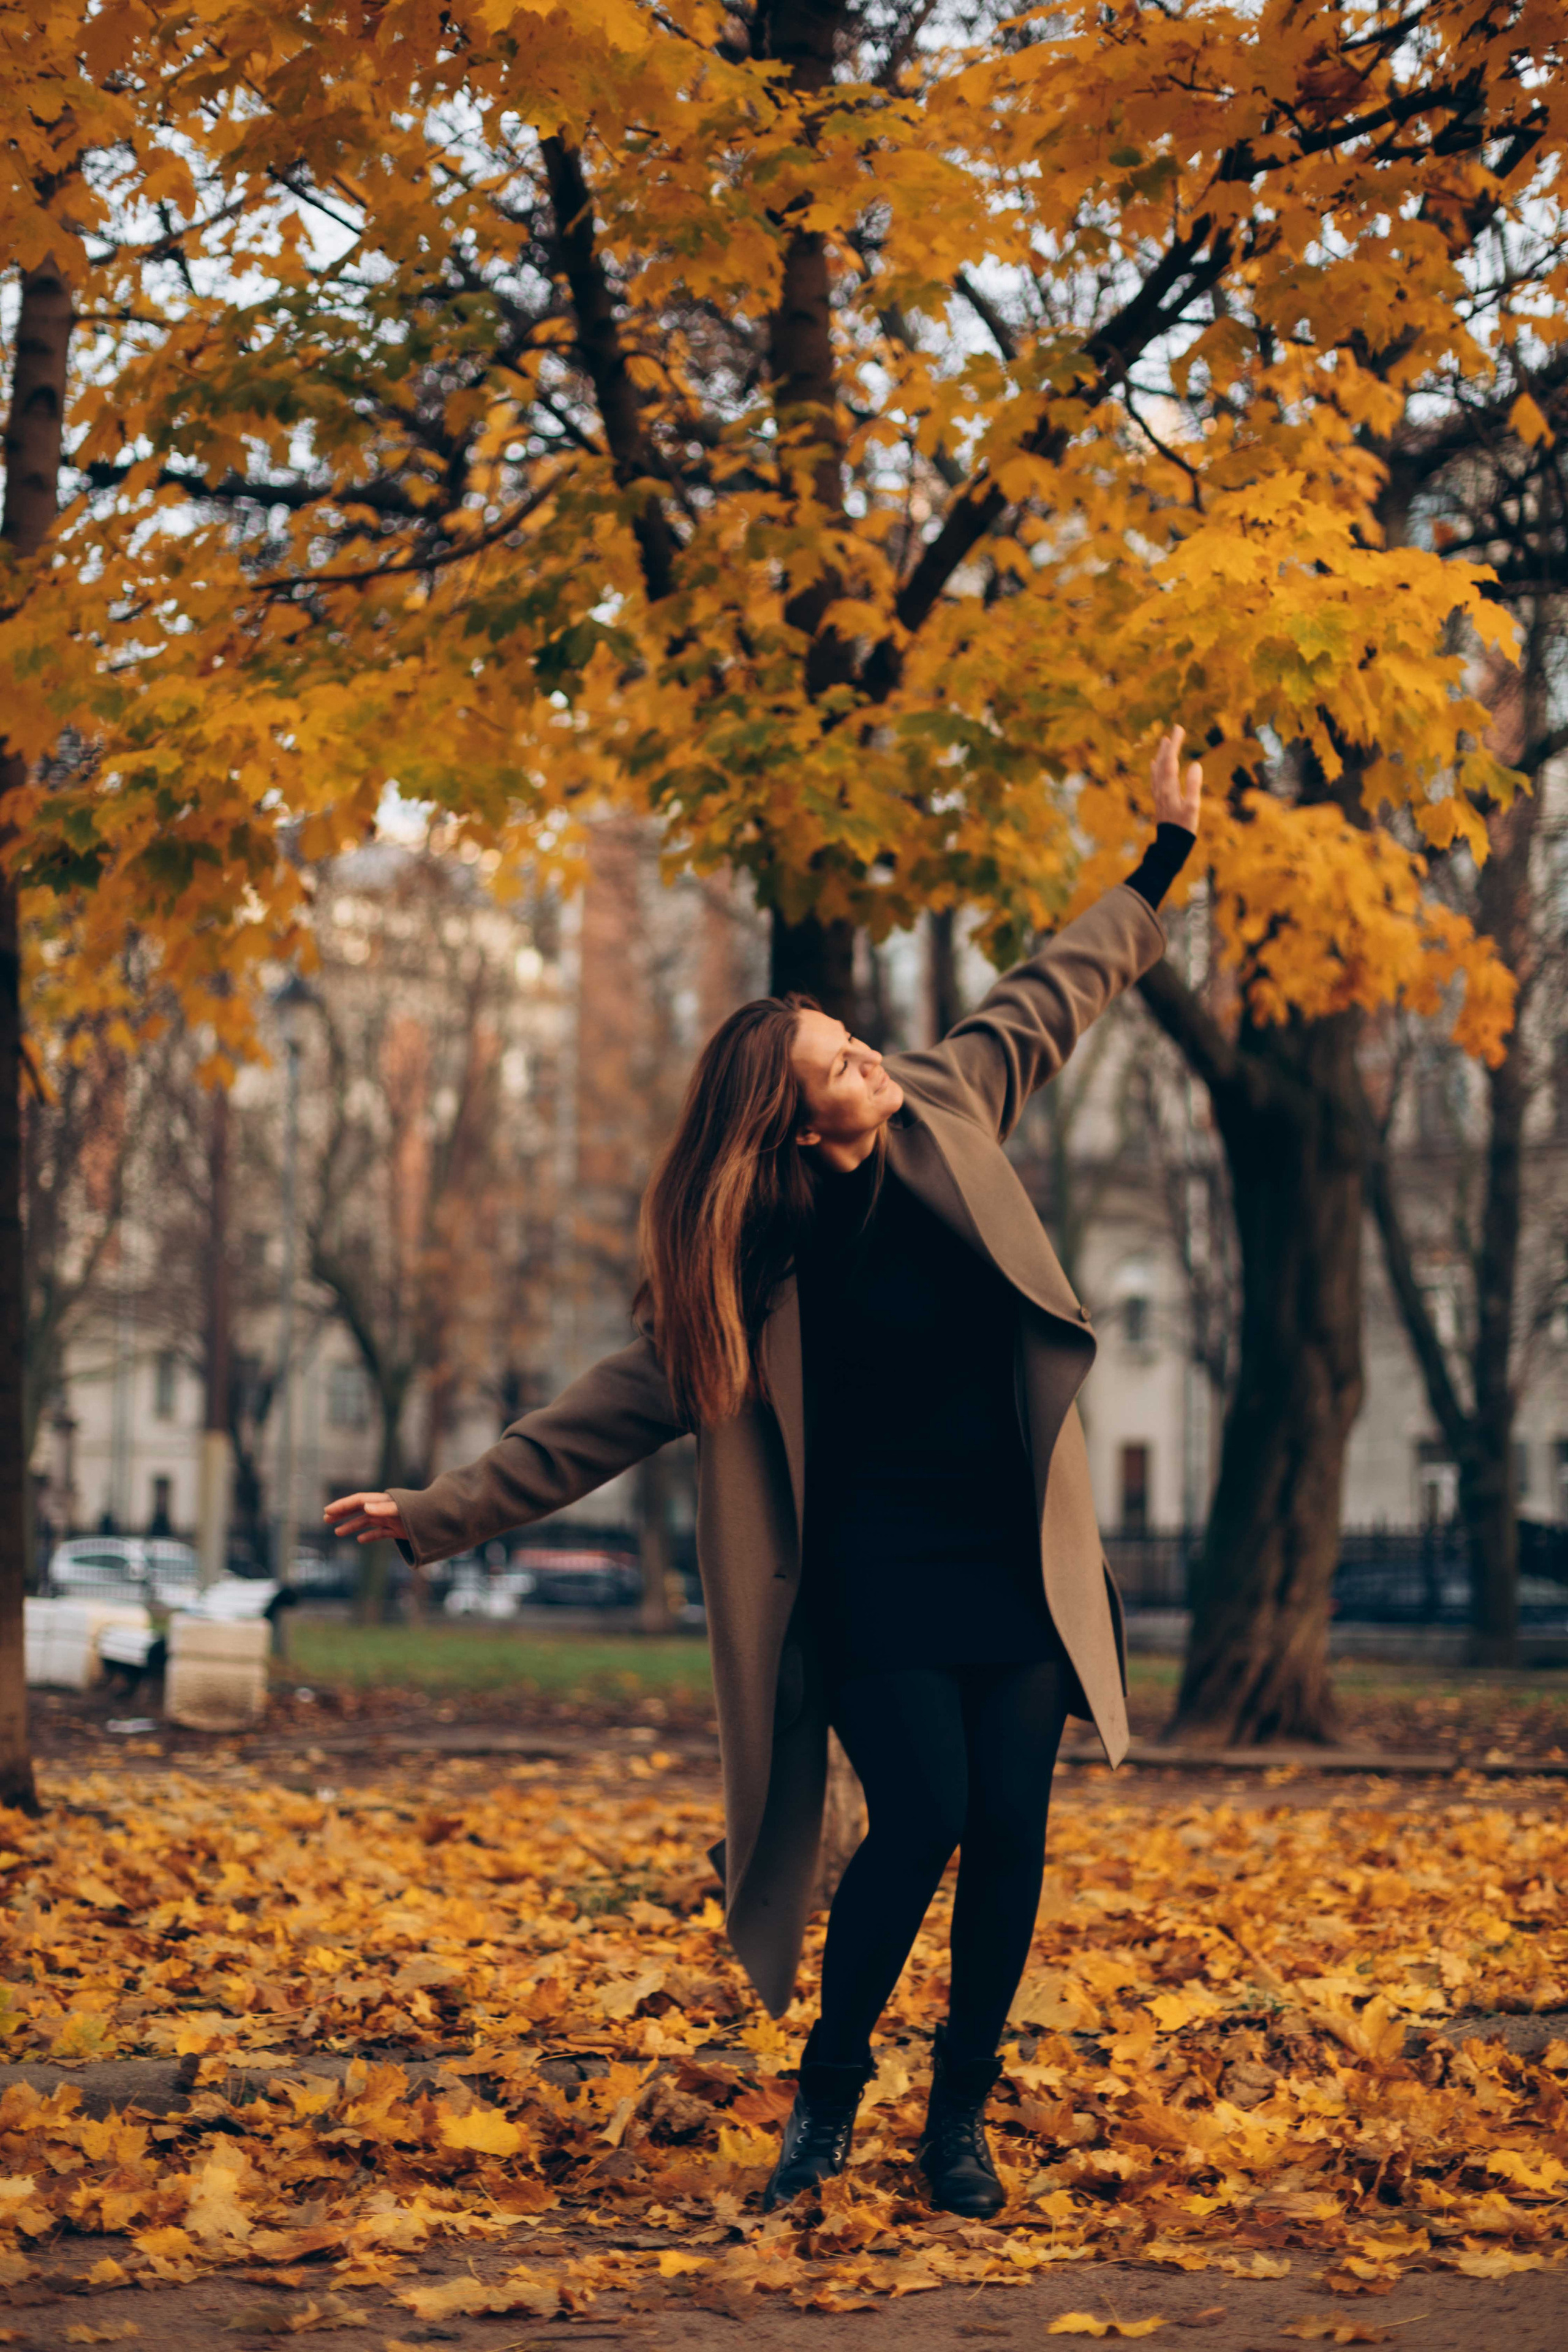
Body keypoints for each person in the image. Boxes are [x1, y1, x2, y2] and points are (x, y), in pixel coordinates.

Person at [326, 729, 1202, 2218]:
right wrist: (437, 1511)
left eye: (853, 1043)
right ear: (799, 1117)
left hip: (1007, 1554)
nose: (867, 1057)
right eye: (836, 1065)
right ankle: (830, 2101)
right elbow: (598, 1419)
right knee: (919, 1812)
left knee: (1011, 1835)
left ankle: (959, 2126)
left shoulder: (945, 1105)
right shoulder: (745, 1267)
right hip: (866, 1577)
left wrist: (1159, 862)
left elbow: (1051, 993)